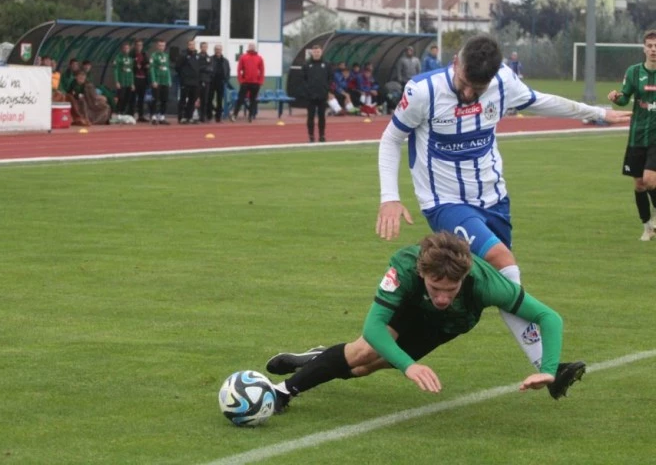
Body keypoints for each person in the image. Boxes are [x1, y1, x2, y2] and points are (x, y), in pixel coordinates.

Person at [374, 33, 631, 373]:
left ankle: (333, 358)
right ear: (455, 63)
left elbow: (541, 101)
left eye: (477, 89)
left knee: (502, 280)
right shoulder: (423, 91)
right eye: (465, 83)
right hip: (445, 202)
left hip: (495, 199)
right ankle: (546, 365)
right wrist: (390, 197)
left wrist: (597, 113)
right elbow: (392, 139)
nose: (468, 94)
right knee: (502, 261)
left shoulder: (504, 82)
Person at [265, 232, 586, 412]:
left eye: (451, 289)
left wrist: (548, 368)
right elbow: (375, 328)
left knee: (363, 368)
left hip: (447, 326)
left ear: (464, 277)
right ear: (422, 274)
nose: (443, 296)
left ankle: (318, 357)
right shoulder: (403, 268)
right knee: (364, 350)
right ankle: (282, 393)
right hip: (410, 307)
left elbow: (548, 317)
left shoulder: (487, 283)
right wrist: (409, 367)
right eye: (436, 288)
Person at [607, 29, 656, 241]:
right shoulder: (634, 72)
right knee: (638, 184)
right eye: (650, 46)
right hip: (637, 136)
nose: (654, 50)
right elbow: (624, 98)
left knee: (650, 180)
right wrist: (615, 97)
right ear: (644, 48)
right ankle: (647, 226)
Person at [301, 44, 332, 143]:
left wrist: (327, 90)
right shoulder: (306, 64)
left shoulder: (326, 64)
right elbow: (303, 80)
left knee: (322, 116)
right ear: (312, 53)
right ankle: (311, 136)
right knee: (310, 116)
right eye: (314, 52)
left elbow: (330, 78)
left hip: (322, 95)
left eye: (318, 51)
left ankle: (322, 135)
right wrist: (307, 91)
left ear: (321, 52)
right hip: (310, 96)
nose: (316, 53)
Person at [230, 42, 265, 123]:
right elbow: (239, 70)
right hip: (245, 83)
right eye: (250, 46)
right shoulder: (243, 57)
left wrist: (260, 81)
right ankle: (235, 115)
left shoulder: (259, 58)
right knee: (240, 99)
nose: (252, 47)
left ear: (255, 48)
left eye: (253, 46)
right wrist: (241, 80)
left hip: (255, 83)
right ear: (248, 47)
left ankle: (250, 116)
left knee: (253, 100)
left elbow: (262, 70)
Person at [149, 39, 172, 125]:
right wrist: (154, 80)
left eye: (163, 46)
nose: (161, 47)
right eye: (160, 45)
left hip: (165, 81)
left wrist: (169, 80)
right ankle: (154, 116)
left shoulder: (166, 56)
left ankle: (162, 117)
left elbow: (168, 69)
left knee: (164, 99)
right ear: (157, 46)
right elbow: (152, 69)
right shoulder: (153, 56)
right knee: (155, 99)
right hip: (157, 81)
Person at [177, 40, 199, 124]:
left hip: (195, 82)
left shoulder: (197, 56)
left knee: (192, 100)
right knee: (183, 99)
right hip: (185, 81)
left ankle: (189, 116)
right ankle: (181, 117)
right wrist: (184, 75)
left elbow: (198, 68)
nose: (192, 46)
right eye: (190, 44)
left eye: (193, 44)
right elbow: (178, 67)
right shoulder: (183, 55)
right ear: (187, 45)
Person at [209, 44, 230, 122]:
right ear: (214, 50)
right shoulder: (210, 59)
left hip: (221, 82)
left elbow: (228, 71)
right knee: (209, 98)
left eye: (219, 49)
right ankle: (209, 115)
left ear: (221, 50)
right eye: (217, 49)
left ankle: (218, 117)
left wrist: (226, 80)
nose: (218, 51)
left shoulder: (225, 61)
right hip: (211, 82)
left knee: (219, 100)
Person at [113, 42, 135, 117]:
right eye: (125, 48)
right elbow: (116, 70)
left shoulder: (130, 59)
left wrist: (132, 83)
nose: (126, 50)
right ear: (122, 49)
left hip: (128, 81)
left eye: (127, 48)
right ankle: (118, 111)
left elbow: (131, 71)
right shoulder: (118, 58)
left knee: (127, 98)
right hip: (121, 81)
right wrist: (117, 81)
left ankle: (123, 112)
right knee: (121, 97)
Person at [132, 39, 150, 123]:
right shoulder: (132, 55)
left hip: (143, 78)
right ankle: (131, 114)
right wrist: (136, 66)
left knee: (141, 98)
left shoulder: (144, 54)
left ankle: (141, 115)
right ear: (135, 46)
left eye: (141, 45)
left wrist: (145, 66)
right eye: (138, 45)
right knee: (132, 98)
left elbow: (147, 64)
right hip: (135, 78)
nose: (139, 47)